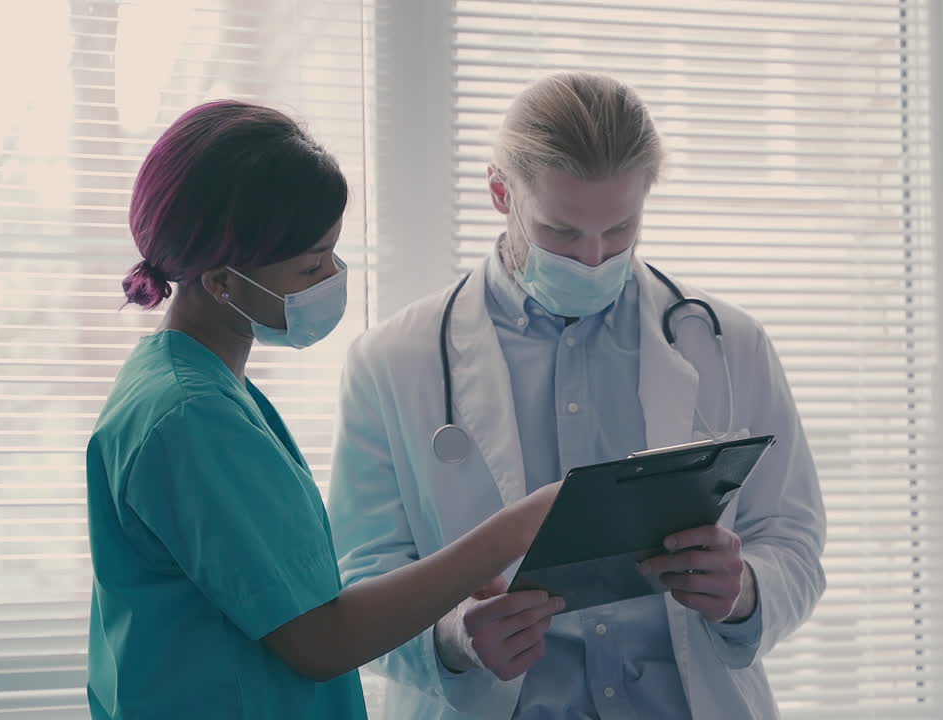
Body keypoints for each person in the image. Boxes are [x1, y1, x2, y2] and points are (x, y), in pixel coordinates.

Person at [329, 72, 827, 719]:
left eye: (619, 230)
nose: (593, 258)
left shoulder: (729, 344)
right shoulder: (393, 361)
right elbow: (359, 580)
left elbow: (792, 539)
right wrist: (450, 640)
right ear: (501, 192)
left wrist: (746, 591)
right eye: (561, 232)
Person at [85, 100, 560, 720]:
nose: (332, 275)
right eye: (311, 265)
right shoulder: (191, 416)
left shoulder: (195, 383)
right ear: (222, 282)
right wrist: (519, 528)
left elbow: (300, 601)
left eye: (332, 254)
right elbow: (323, 641)